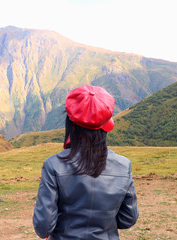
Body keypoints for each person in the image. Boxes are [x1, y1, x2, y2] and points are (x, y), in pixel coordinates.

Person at [33, 85, 138, 240]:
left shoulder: (53, 165)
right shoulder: (124, 166)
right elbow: (128, 218)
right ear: (106, 125)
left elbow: (43, 227)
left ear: (71, 123)